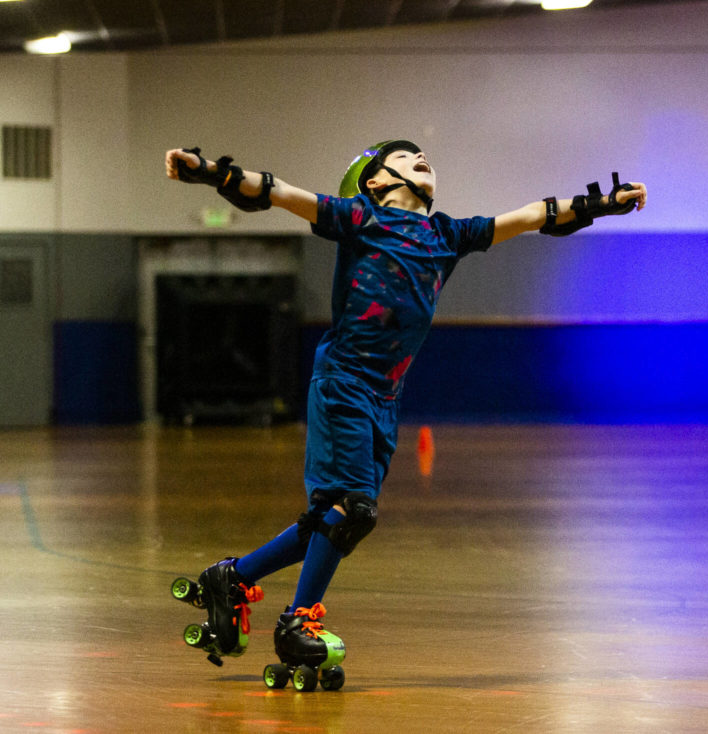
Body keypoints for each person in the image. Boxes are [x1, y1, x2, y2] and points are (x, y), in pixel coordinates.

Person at [164, 140, 647, 685]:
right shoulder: (356, 217)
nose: (421, 157)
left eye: (423, 156)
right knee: (351, 509)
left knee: (334, 519)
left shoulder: (448, 235)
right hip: (344, 380)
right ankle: (297, 621)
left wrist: (604, 204)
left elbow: (535, 216)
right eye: (403, 156)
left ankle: (233, 577)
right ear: (373, 181)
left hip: (385, 397)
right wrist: (209, 173)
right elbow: (276, 193)